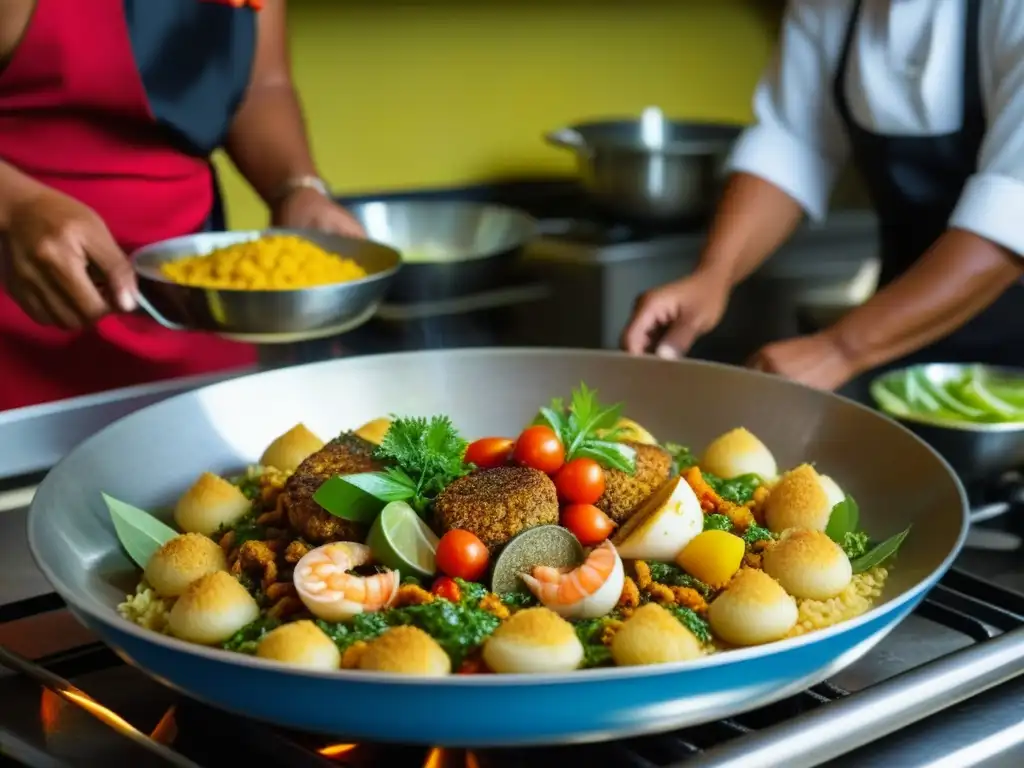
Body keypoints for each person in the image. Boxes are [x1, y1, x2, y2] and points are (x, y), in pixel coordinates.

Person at [623, 0, 1024, 398]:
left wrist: (839, 349)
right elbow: (791, 143)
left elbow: (1010, 212)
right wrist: (714, 274)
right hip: (896, 341)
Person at [0, 0, 364, 412]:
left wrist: (296, 187)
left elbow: (263, 86)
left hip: (197, 311)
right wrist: (14, 207)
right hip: (23, 319)